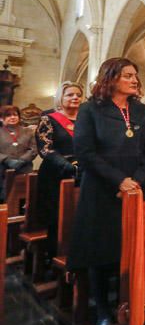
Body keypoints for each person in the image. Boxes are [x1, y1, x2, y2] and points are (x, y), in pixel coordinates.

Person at [68, 58, 145, 325]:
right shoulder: (90, 110)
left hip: (139, 190)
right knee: (102, 249)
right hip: (102, 190)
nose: (135, 80)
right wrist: (120, 181)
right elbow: (85, 152)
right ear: (111, 78)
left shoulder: (142, 111)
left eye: (135, 75)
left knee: (136, 248)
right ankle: (103, 309)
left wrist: (137, 182)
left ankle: (134, 300)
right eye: (128, 75)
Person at [35, 81, 83, 260]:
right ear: (60, 98)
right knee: (57, 217)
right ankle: (53, 255)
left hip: (81, 173)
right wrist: (67, 165)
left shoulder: (85, 119)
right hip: (55, 174)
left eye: (78, 94)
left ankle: (75, 255)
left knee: (77, 215)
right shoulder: (49, 118)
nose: (75, 97)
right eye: (70, 94)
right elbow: (45, 149)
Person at [0, 105, 36, 200]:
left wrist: (22, 160)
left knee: (26, 198)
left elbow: (34, 148)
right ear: (1, 118)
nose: (12, 117)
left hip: (25, 169)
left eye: (15, 114)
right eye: (8, 115)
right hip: (3, 171)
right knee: (5, 199)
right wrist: (7, 160)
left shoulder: (28, 131)